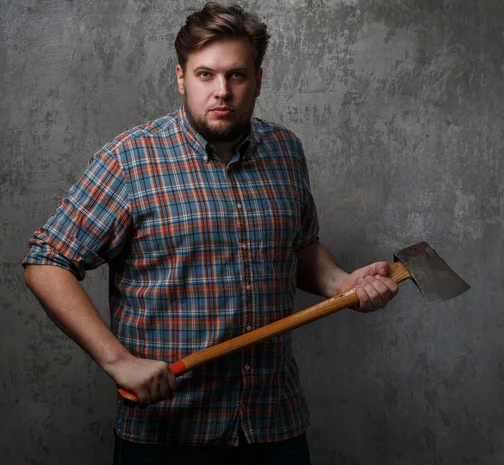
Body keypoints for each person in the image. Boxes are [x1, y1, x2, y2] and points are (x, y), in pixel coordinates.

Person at [22, 3, 398, 464]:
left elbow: (298, 248)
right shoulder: (131, 160)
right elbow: (47, 260)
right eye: (205, 75)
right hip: (168, 432)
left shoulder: (285, 151)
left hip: (273, 425)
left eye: (237, 76)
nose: (222, 92)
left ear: (258, 80)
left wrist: (344, 284)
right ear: (181, 78)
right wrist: (117, 361)